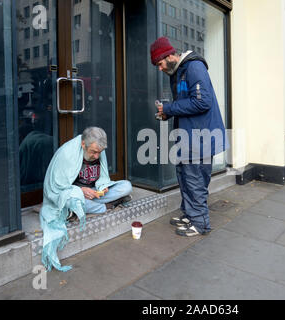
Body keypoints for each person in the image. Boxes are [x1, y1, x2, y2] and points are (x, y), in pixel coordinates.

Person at [150, 37, 227, 237]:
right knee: (185, 178)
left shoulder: (194, 67)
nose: (159, 69)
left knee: (194, 181)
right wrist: (168, 112)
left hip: (200, 138)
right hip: (187, 137)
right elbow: (187, 105)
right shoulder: (177, 73)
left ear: (169, 56)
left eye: (160, 63)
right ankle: (190, 215)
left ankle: (200, 223)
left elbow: (202, 102)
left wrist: (169, 107)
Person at [40, 127, 132, 271]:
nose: (97, 156)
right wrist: (81, 191)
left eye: (99, 153)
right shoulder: (67, 153)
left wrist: (103, 187)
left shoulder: (98, 149)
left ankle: (84, 209)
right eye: (93, 152)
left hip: (93, 193)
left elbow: (103, 176)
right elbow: (57, 188)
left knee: (126, 186)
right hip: (73, 194)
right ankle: (107, 206)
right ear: (83, 144)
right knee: (72, 201)